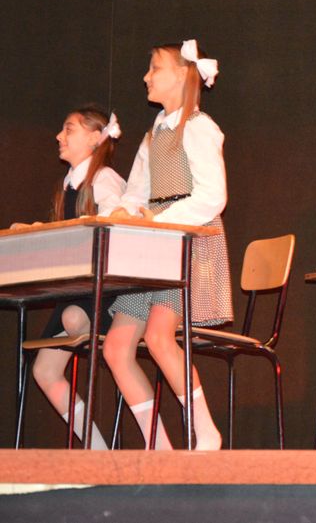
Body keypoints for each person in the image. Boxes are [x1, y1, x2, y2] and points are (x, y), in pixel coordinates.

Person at [105, 39, 231, 450]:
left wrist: (159, 221)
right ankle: (158, 447)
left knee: (160, 337)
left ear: (181, 74)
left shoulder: (198, 127)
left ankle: (206, 432)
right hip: (153, 248)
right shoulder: (153, 133)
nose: (146, 76)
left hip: (185, 244)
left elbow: (212, 197)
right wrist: (124, 211)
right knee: (116, 347)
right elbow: (137, 192)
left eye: (154, 68)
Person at [12, 107, 125, 449]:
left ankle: (109, 338)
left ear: (94, 138)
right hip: (79, 290)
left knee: (73, 317)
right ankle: (97, 450)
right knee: (44, 371)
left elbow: (115, 226)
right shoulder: (69, 183)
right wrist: (39, 232)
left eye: (69, 129)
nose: (59, 137)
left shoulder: (104, 179)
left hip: (106, 291)